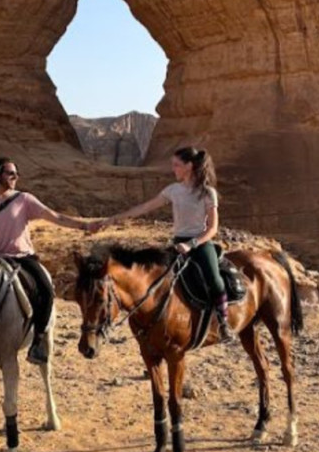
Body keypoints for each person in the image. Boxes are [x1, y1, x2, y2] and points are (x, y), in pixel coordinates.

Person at [92, 146, 234, 342]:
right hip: (177, 244)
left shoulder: (207, 193)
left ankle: (223, 322)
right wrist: (115, 218)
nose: (173, 169)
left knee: (214, 280)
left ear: (189, 166)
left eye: (176, 165)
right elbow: (145, 207)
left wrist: (191, 244)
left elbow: (212, 229)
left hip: (200, 243)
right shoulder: (173, 191)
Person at [0, 157, 92, 363]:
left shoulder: (24, 199)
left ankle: (37, 342)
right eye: (10, 173)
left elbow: (55, 216)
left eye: (16, 173)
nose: (15, 177)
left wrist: (85, 226)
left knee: (45, 290)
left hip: (22, 258)